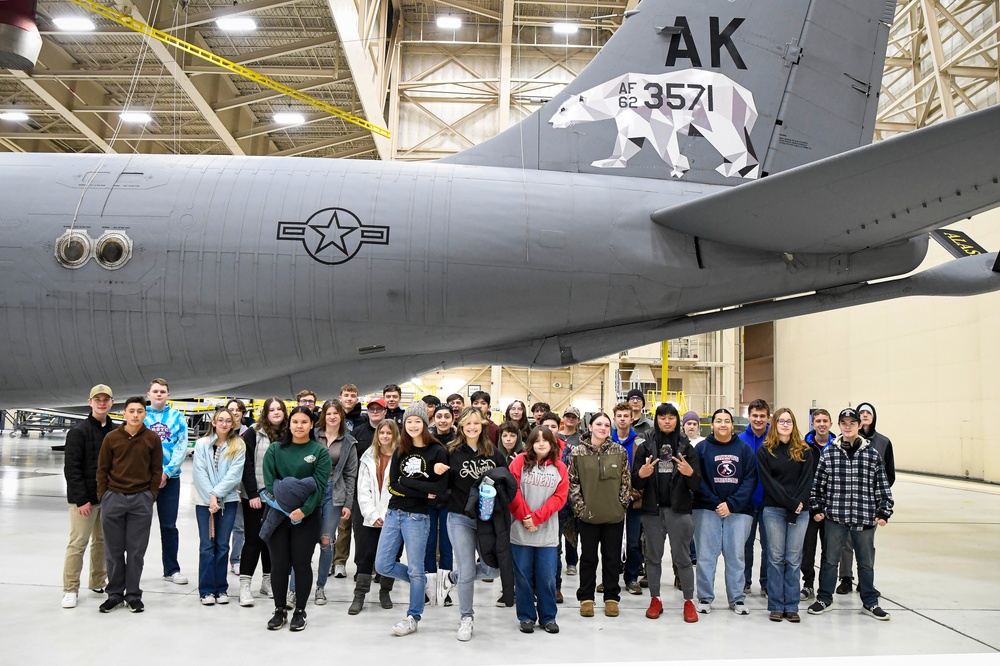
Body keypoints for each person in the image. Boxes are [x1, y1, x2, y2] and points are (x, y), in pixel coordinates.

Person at [808, 408, 894, 621]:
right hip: (836, 517)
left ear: (859, 425)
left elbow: (882, 486)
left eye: (852, 423)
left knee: (865, 562)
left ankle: (870, 602)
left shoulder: (871, 454)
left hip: (864, 518)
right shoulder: (830, 453)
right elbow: (817, 486)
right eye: (844, 423)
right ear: (839, 425)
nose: (848, 426)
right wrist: (817, 508)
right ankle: (824, 598)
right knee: (830, 560)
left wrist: (884, 511)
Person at [375, 403, 448, 637]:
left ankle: (413, 616)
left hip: (417, 517)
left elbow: (439, 489)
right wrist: (420, 488)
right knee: (383, 564)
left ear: (425, 424)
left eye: (417, 421)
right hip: (393, 513)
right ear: (404, 425)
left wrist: (409, 484)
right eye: (409, 422)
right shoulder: (400, 450)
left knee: (416, 569)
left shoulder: (437, 451)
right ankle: (424, 583)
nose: (413, 425)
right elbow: (393, 485)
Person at [437, 406, 507, 641]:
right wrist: (436, 471)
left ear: (483, 425)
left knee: (493, 569)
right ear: (461, 426)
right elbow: (442, 484)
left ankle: (452, 578)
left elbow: (505, 482)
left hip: (487, 521)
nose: (472, 427)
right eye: (468, 423)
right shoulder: (450, 451)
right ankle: (466, 617)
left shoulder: (494, 453)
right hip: (459, 518)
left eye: (476, 422)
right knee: (467, 567)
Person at [262, 406, 330, 632]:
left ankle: (300, 610)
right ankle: (279, 609)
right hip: (277, 514)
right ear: (289, 425)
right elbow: (272, 485)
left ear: (312, 425)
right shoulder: (274, 450)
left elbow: (319, 487)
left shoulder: (319, 452)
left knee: (301, 564)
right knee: (279, 564)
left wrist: (304, 510)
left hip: (307, 517)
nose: (299, 426)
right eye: (295, 422)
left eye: (304, 422)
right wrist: (286, 506)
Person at [632, 403, 701, 623]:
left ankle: (689, 602)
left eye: (671, 417)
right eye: (663, 417)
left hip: (679, 510)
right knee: (652, 558)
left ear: (677, 420)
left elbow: (697, 484)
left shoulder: (686, 447)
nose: (667, 421)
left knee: (683, 559)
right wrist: (642, 474)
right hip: (652, 511)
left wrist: (689, 473)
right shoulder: (645, 446)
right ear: (657, 420)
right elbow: (635, 480)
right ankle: (656, 599)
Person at [96, 396, 162, 613]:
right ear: (124, 413)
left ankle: (133, 594)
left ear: (145, 414)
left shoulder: (152, 439)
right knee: (113, 551)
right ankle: (114, 594)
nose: (135, 415)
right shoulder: (112, 438)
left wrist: (150, 496)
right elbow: (102, 470)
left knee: (135, 552)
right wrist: (104, 496)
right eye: (131, 411)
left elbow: (155, 470)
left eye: (140, 411)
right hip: (113, 498)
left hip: (140, 500)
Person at [692, 408, 758, 615]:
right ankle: (704, 597)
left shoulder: (744, 449)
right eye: (718, 421)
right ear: (711, 425)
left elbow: (750, 479)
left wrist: (731, 504)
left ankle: (737, 599)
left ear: (732, 425)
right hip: (706, 510)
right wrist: (715, 503)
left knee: (736, 556)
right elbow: (697, 479)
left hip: (738, 512)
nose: (723, 424)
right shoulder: (701, 448)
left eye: (726, 421)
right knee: (705, 557)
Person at [568, 412, 631, 618]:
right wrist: (580, 509)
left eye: (606, 425)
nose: (603, 428)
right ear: (591, 426)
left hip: (614, 516)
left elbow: (625, 481)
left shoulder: (619, 451)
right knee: (587, 558)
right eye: (599, 424)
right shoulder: (577, 452)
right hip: (588, 516)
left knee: (612, 558)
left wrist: (621, 505)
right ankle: (586, 598)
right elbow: (573, 482)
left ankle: (612, 598)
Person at [757, 408, 816, 622]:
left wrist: (797, 505)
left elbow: (807, 481)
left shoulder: (805, 450)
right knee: (775, 558)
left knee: (792, 559)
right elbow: (768, 483)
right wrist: (791, 503)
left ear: (794, 424)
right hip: (774, 510)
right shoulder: (765, 451)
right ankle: (775, 605)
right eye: (781, 421)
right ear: (774, 424)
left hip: (800, 511)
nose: (785, 424)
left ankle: (791, 605)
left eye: (789, 421)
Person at [509, 426, 569, 634]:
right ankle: (526, 616)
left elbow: (560, 498)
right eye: (537, 440)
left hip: (547, 534)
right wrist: (526, 517)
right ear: (531, 443)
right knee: (523, 577)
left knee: (547, 577)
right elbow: (512, 490)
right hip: (520, 532)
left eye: (545, 440)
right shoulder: (519, 462)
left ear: (552, 443)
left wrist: (536, 519)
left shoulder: (560, 468)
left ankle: (548, 617)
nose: (541, 444)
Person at [62, 384, 115, 609]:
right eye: (97, 399)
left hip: (108, 498)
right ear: (90, 402)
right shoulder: (78, 432)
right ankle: (70, 589)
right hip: (84, 500)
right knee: (78, 543)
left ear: (112, 402)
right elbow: (71, 468)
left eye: (106, 399)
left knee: (102, 542)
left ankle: (97, 581)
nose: (101, 403)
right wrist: (81, 499)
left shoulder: (115, 432)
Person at [836, 401, 897, 595]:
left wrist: (878, 499)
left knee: (866, 544)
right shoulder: (845, 440)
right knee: (846, 543)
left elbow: (888, 474)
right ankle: (845, 578)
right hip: (846, 502)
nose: (864, 415)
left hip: (869, 503)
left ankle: (866, 581)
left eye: (867, 413)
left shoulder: (883, 442)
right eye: (860, 412)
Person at [192, 408, 246, 605]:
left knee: (223, 545)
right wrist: (210, 497)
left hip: (228, 502)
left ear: (233, 424)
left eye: (228, 421)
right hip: (204, 503)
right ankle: (206, 590)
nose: (224, 424)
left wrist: (217, 494)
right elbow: (199, 472)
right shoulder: (202, 444)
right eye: (220, 420)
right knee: (207, 546)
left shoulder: (238, 445)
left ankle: (221, 589)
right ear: (214, 422)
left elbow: (234, 475)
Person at [238, 397, 287, 606]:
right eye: (272, 409)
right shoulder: (254, 432)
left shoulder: (289, 433)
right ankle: (244, 585)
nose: (276, 412)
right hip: (256, 496)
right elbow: (247, 464)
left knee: (272, 540)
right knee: (253, 540)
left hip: (279, 498)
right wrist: (253, 493)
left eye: (279, 409)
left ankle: (267, 582)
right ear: (265, 413)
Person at [351, 420, 400, 614]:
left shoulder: (401, 457)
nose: (385, 437)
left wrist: (387, 515)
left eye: (389, 433)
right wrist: (372, 515)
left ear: (395, 435)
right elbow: (362, 490)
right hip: (369, 518)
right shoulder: (367, 457)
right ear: (377, 435)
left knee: (391, 557)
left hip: (393, 517)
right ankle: (359, 595)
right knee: (365, 556)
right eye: (382, 433)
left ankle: (385, 591)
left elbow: (399, 489)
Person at [144, 378, 190, 586]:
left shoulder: (178, 417)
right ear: (149, 394)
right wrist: (153, 474)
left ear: (168, 395)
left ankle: (171, 569)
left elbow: (182, 446)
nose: (159, 394)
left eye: (163, 391)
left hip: (170, 480)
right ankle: (132, 570)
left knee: (169, 526)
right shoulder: (141, 416)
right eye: (155, 391)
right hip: (144, 480)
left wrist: (167, 472)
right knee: (138, 526)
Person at [314, 399, 359, 602]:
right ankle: (294, 589)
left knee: (326, 540)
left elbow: (350, 476)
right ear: (324, 415)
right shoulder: (312, 435)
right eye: (329, 413)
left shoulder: (349, 442)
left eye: (336, 413)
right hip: (311, 490)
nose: (332, 416)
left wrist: (348, 504)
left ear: (341, 416)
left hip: (335, 492)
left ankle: (320, 587)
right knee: (303, 542)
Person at [611, 402, 644, 596]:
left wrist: (636, 493)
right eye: (619, 416)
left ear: (632, 419)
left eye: (626, 416)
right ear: (614, 419)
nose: (622, 419)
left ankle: (631, 578)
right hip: (611, 502)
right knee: (611, 542)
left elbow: (644, 473)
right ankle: (611, 578)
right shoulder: (607, 441)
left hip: (633, 501)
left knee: (633, 542)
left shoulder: (640, 443)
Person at [800, 408, 832, 600]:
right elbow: (802, 479)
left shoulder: (838, 447)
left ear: (830, 424)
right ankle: (808, 584)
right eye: (817, 421)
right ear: (812, 424)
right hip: (810, 508)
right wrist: (811, 505)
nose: (821, 424)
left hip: (831, 509)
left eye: (825, 421)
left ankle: (825, 588)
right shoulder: (804, 448)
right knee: (808, 549)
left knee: (829, 552)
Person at [740, 398, 770, 596]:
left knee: (770, 548)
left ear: (768, 417)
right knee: (745, 546)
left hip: (770, 503)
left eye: (762, 416)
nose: (758, 419)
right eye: (755, 416)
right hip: (746, 504)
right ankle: (745, 581)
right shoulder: (740, 440)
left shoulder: (775, 439)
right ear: (749, 416)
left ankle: (766, 584)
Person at [427, 404, 456, 606]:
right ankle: (429, 589)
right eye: (439, 416)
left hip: (450, 501)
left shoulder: (458, 440)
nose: (443, 420)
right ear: (434, 418)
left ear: (452, 419)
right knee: (427, 546)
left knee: (446, 547)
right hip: (428, 500)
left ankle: (445, 591)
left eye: (447, 416)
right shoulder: (426, 439)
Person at [557, 406, 582, 580]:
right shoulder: (555, 437)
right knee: (557, 526)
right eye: (568, 416)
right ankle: (555, 557)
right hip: (556, 486)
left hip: (574, 486)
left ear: (578, 420)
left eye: (574, 417)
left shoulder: (582, 439)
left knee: (573, 528)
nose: (570, 419)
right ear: (563, 418)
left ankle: (572, 562)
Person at [225, 399, 248, 575]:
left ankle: (236, 559)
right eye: (231, 409)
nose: (235, 412)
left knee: (239, 527)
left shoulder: (248, 433)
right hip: (222, 486)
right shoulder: (221, 432)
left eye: (238, 410)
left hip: (241, 487)